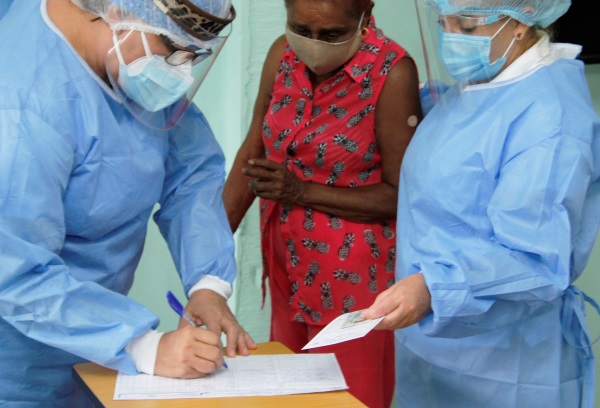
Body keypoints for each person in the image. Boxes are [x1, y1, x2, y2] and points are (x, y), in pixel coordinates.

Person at [0, 0, 256, 406]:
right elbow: (12, 270)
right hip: (17, 369)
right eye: (174, 49)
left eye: (193, 55)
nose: (181, 71)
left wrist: (208, 285)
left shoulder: (127, 55)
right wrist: (143, 346)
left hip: (98, 354)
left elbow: (190, 171)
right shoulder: (21, 106)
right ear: (118, 10)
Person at [361, 0, 600, 406]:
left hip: (505, 367)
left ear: (523, 18)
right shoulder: (483, 86)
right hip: (432, 349)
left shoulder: (550, 118)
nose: (451, 37)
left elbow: (534, 258)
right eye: (442, 22)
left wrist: (434, 287)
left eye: (468, 26)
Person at [222, 0, 422, 406]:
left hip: (354, 281)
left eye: (332, 34)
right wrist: (206, 267)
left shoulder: (392, 72)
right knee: (290, 395)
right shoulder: (282, 54)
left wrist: (302, 192)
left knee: (348, 396)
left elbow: (402, 195)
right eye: (301, 29)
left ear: (365, 14)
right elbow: (253, 155)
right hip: (288, 263)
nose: (313, 45)